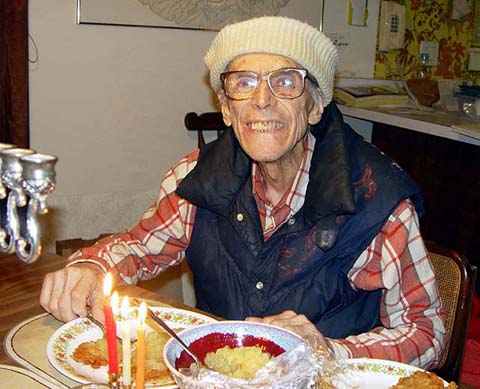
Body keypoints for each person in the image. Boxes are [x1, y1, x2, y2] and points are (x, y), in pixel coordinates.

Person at [40, 16, 445, 369]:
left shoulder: (375, 201)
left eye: (286, 81)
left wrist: (331, 352)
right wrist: (91, 267)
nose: (262, 100)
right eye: (244, 82)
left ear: (316, 105)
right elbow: (137, 248)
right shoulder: (197, 180)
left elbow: (427, 333)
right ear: (227, 108)